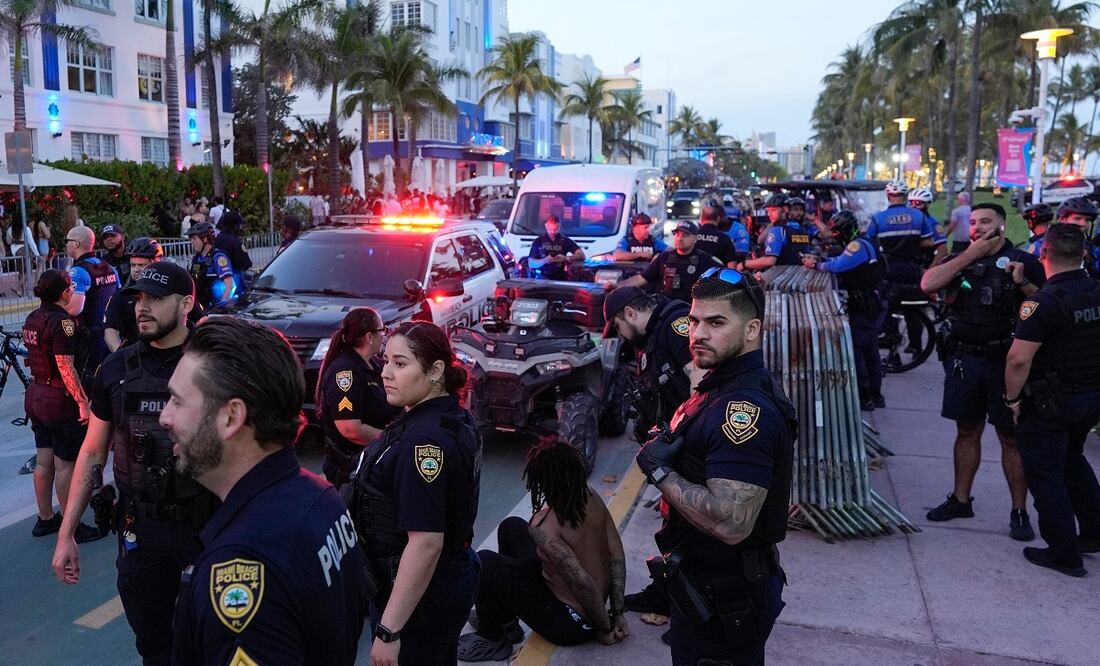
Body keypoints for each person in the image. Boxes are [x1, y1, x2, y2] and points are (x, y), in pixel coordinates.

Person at [162, 317, 368, 664]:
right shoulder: (321, 496)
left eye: (177, 402)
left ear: (231, 417)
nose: (165, 417)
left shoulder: (242, 564)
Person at [52, 262, 216, 664]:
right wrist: (66, 534)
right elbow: (92, 452)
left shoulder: (216, 362)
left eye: (155, 299)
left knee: (217, 639)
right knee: (154, 643)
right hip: (140, 529)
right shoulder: (115, 369)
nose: (142, 308)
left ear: (187, 304)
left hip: (209, 525)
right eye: (139, 298)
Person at [634, 268, 797, 665]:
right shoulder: (719, 386)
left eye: (716, 322)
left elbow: (731, 522)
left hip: (725, 596)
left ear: (752, 329)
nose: (698, 333)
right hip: (704, 587)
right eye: (694, 321)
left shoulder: (744, 409)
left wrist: (660, 472)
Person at [347, 321, 482, 665]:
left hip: (418, 601)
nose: (386, 373)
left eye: (401, 363)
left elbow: (425, 543)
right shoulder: (447, 417)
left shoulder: (423, 443)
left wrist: (390, 630)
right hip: (443, 583)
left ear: (436, 370)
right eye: (386, 361)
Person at [920, 202, 1046, 540]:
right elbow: (928, 284)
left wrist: (1022, 285)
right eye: (973, 222)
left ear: (1003, 226)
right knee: (967, 431)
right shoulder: (962, 257)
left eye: (986, 222)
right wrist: (969, 255)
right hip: (965, 360)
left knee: (1010, 437)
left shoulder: (1025, 261)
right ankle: (961, 499)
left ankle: (1019, 510)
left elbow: (1043, 307)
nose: (977, 227)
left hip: (1006, 361)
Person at [457, 438, 628, 661]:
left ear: (542, 482)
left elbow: (580, 580)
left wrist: (605, 629)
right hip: (586, 604)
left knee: (485, 562)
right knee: (511, 527)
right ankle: (505, 620)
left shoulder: (545, 526)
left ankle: (493, 637)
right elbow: (617, 555)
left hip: (569, 623)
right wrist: (617, 612)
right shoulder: (591, 495)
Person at [1004, 224, 1100, 577]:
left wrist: (1012, 399)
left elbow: (1018, 359)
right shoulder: (1093, 291)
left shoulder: (1040, 304)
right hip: (1089, 397)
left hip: (1049, 403)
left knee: (1046, 474)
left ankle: (1064, 554)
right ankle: (1093, 532)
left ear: (1043, 254)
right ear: (1084, 254)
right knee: (1072, 461)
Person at [24, 270, 102, 543]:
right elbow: (65, 366)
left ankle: (45, 518)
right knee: (65, 464)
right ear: (65, 293)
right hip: (58, 399)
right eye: (69, 287)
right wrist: (82, 402)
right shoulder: (63, 323)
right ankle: (72, 526)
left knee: (44, 461)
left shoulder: (32, 318)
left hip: (35, 394)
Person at [803, 210, 887, 410]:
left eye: (837, 231)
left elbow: (839, 265)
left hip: (864, 304)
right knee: (870, 350)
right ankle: (876, 396)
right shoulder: (863, 240)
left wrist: (816, 265)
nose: (835, 235)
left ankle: (865, 397)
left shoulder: (857, 244)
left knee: (859, 350)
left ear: (845, 229)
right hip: (871, 301)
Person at [603, 285, 703, 438]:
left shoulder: (675, 325)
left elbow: (701, 383)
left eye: (617, 327)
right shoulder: (652, 337)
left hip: (694, 434)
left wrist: (685, 435)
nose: (620, 335)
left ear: (630, 313)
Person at [316, 308, 400, 487]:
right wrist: (395, 440)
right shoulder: (345, 372)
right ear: (369, 337)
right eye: (382, 330)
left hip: (371, 461)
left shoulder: (373, 364)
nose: (384, 335)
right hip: (349, 470)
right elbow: (350, 429)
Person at [867, 181, 939, 355]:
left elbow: (869, 243)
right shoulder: (918, 216)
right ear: (906, 196)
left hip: (888, 270)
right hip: (912, 269)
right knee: (913, 308)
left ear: (888, 196)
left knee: (887, 308)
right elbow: (929, 241)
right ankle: (916, 347)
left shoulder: (878, 218)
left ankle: (893, 352)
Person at [64, 226, 120, 387]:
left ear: (75, 243)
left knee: (86, 383)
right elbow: (119, 295)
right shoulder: (109, 267)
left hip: (87, 337)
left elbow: (74, 309)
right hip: (110, 333)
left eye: (66, 241)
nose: (65, 245)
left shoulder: (77, 272)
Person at [620, 221, 722, 302]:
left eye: (685, 235)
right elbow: (641, 279)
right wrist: (617, 287)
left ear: (695, 238)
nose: (680, 238)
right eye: (677, 234)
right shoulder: (663, 258)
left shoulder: (706, 261)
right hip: (667, 310)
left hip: (692, 311)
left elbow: (724, 284)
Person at [744, 194, 816, 270]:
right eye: (768, 211)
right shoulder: (802, 228)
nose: (769, 214)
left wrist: (743, 264)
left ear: (785, 209)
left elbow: (770, 260)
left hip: (781, 276)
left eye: (773, 210)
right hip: (802, 273)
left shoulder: (778, 230)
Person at [186, 222, 236, 309]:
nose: (192, 242)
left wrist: (221, 307)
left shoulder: (218, 258)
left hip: (213, 308)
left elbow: (230, 285)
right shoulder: (197, 258)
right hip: (199, 306)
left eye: (194, 238)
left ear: (205, 239)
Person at [528, 215, 585, 280]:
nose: (553, 232)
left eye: (555, 229)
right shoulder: (538, 241)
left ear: (559, 226)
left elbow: (581, 255)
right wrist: (545, 260)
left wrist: (566, 258)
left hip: (560, 278)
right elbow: (531, 263)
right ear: (546, 226)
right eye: (550, 229)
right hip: (542, 278)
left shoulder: (565, 240)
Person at [1054, 197, 1100, 277]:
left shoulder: (1091, 248)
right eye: (1077, 219)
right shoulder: (1049, 246)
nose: (1083, 224)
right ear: (1062, 220)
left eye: (1087, 220)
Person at [213, 209, 253, 290]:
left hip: (217, 281)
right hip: (234, 282)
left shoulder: (215, 240)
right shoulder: (235, 242)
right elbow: (245, 264)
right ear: (235, 227)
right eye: (239, 225)